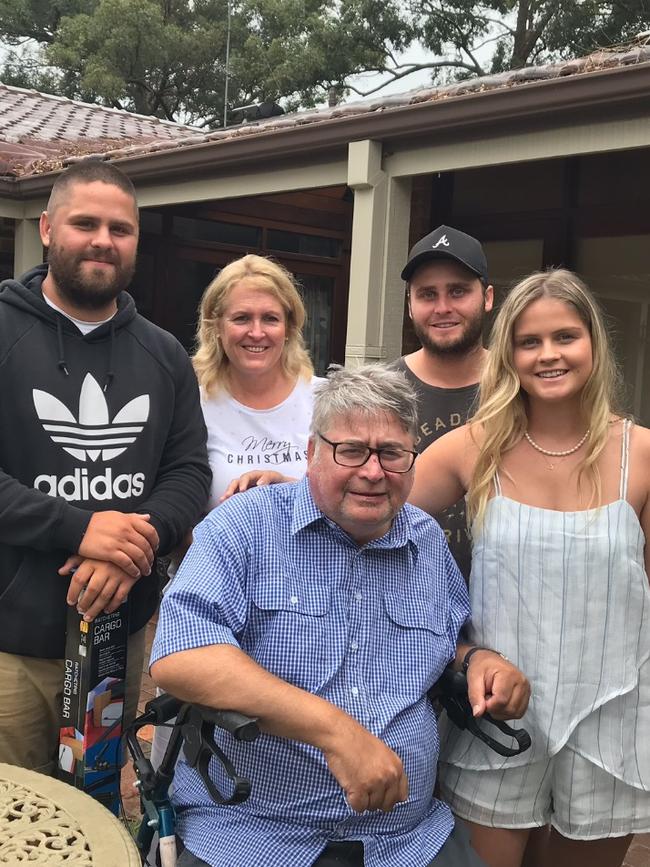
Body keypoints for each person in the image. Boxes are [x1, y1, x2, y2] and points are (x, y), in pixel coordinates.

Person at [150, 364, 529, 867]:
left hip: (405, 840)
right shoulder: (243, 526)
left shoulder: (426, 542)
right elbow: (181, 657)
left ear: (413, 464)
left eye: (392, 453)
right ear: (311, 454)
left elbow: (444, 643)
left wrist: (479, 661)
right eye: (350, 450)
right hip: (253, 834)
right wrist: (338, 733)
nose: (373, 472)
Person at [409, 270, 650, 867]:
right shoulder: (473, 447)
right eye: (529, 342)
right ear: (508, 354)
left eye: (565, 337)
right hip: (498, 714)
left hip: (612, 712)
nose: (548, 355)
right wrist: (282, 492)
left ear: (593, 342)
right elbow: (369, 507)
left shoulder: (641, 454)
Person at [0, 160, 211, 775]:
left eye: (120, 229)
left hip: (114, 644)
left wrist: (130, 545)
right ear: (46, 228)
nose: (102, 241)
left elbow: (188, 473)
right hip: (11, 645)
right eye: (84, 223)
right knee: (15, 823)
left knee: (90, 809)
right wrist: (81, 531)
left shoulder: (165, 352)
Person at [395, 224, 493, 580]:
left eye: (457, 291)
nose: (442, 307)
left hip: (505, 604)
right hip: (403, 598)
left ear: (487, 297)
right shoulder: (380, 391)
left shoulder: (521, 388)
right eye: (427, 294)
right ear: (409, 306)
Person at [193, 253, 320, 507]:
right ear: (216, 327)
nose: (257, 332)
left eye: (270, 319)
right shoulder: (192, 405)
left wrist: (286, 488)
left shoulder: (326, 400)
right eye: (241, 318)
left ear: (289, 328)